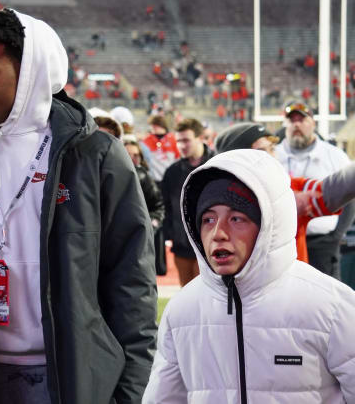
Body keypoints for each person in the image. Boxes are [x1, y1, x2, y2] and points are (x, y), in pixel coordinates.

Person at [0, 9, 157, 404]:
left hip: (73, 379)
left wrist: (127, 394)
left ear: (27, 76)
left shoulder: (94, 156)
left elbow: (131, 288)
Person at [142, 149, 355, 403]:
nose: (218, 233)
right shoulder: (181, 311)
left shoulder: (333, 307)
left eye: (236, 218)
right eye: (208, 219)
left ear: (268, 225)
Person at [215, 122, 353, 264]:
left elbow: (331, 190)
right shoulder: (214, 203)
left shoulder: (289, 187)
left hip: (292, 284)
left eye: (272, 149)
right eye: (262, 151)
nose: (272, 157)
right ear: (238, 160)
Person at [274, 102, 352, 278]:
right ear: (284, 125)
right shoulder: (273, 156)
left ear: (313, 123)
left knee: (326, 298)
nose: (296, 124)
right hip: (283, 244)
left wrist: (336, 235)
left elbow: (349, 199)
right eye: (291, 120)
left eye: (301, 119)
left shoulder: (335, 156)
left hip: (322, 243)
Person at [161, 118, 215, 286]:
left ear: (200, 138)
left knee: (212, 298)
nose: (181, 145)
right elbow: (166, 207)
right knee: (187, 297)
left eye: (186, 140)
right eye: (178, 141)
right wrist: (171, 234)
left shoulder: (217, 165)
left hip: (210, 246)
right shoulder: (172, 172)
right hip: (182, 246)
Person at [123, 134, 166, 275]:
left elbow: (158, 206)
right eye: (128, 154)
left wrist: (150, 226)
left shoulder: (143, 177)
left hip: (138, 241)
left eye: (136, 155)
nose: (133, 158)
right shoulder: (107, 175)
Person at [141, 115, 179, 182]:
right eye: (152, 126)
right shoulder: (146, 140)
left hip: (170, 178)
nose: (153, 128)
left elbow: (177, 158)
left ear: (161, 125)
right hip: (154, 180)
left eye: (155, 125)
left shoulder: (173, 139)